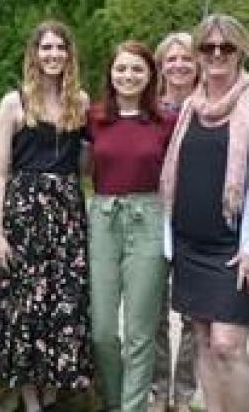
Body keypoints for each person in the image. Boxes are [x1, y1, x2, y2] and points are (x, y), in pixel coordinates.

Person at [158, 14, 249, 412]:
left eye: (226, 47)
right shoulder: (191, 108)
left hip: (236, 252)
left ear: (241, 52)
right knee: (202, 339)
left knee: (227, 344)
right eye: (208, 47)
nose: (217, 54)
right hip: (190, 246)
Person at [0, 20, 93, 412]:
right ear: (34, 53)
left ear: (69, 54)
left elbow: (86, 166)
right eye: (46, 48)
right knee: (25, 305)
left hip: (67, 215)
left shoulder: (80, 102)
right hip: (24, 214)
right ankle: (30, 400)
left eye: (60, 48)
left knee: (65, 303)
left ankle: (52, 395)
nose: (53, 55)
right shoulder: (14, 103)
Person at [87, 40, 175, 411]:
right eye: (121, 68)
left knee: (141, 331)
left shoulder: (165, 122)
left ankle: (133, 406)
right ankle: (114, 400)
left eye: (137, 69)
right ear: (110, 73)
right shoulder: (93, 118)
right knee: (103, 330)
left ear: (150, 75)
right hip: (103, 219)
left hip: (148, 218)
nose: (128, 76)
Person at [150, 31, 200, 412]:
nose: (179, 65)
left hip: (197, 218)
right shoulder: (148, 108)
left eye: (187, 58)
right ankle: (158, 388)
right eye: (172, 58)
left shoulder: (210, 106)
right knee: (153, 309)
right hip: (153, 215)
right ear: (160, 65)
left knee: (195, 314)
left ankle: (184, 393)